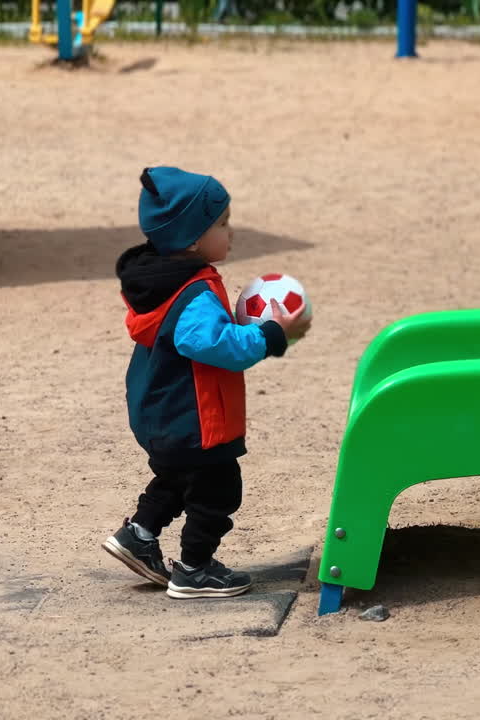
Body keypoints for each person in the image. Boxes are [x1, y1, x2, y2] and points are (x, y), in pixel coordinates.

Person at [102, 166, 311, 599]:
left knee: (176, 479)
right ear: (193, 238)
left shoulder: (161, 281)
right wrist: (271, 334)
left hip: (160, 410)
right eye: (222, 223)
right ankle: (195, 569)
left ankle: (138, 535)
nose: (230, 232)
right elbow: (212, 343)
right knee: (217, 490)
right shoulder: (193, 293)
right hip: (193, 416)